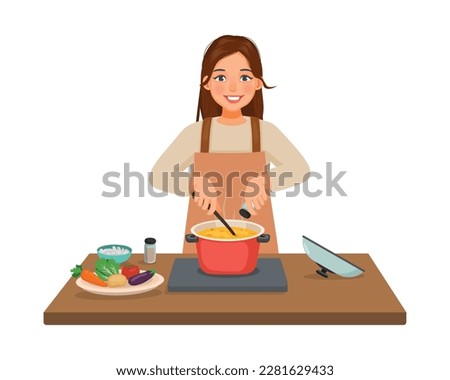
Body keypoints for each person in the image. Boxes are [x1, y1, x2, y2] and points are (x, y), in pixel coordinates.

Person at [151, 35, 309, 253]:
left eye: (244, 78)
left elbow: (300, 169)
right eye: (221, 77)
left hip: (256, 240)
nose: (233, 87)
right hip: (203, 239)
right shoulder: (195, 134)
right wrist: (192, 184)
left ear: (257, 83)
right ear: (206, 82)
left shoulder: (265, 132)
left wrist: (265, 181)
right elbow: (158, 174)